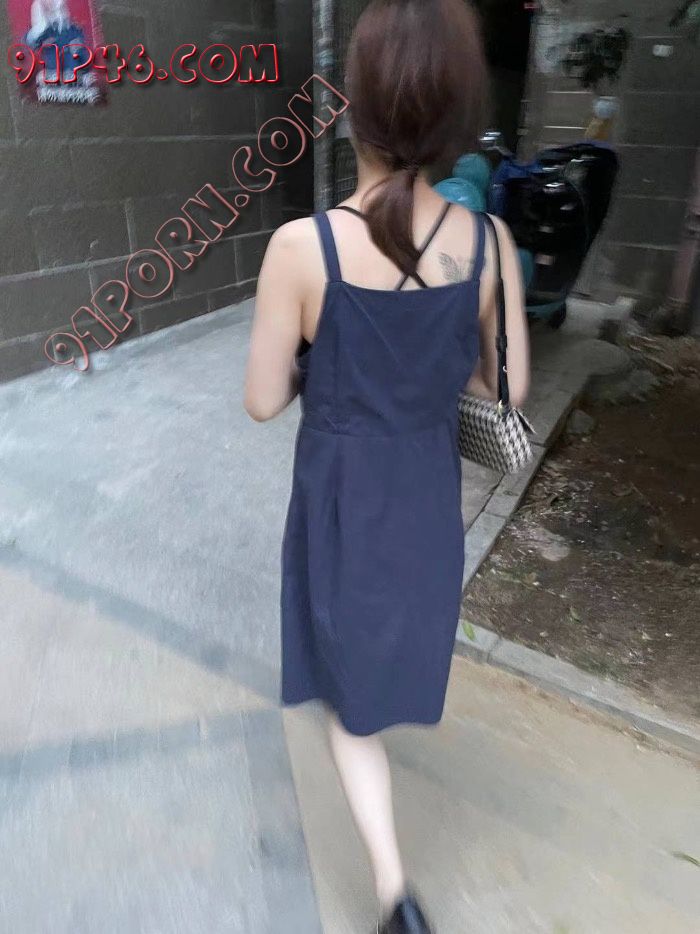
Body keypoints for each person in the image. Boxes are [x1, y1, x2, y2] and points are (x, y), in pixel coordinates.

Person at [244, 1, 530, 930]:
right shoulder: (489, 246)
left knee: (344, 693)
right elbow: (505, 387)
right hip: (425, 503)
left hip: (340, 502)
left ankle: (394, 891)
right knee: (383, 662)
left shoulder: (303, 247)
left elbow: (261, 398)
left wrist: (323, 365)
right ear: (455, 116)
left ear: (353, 105)